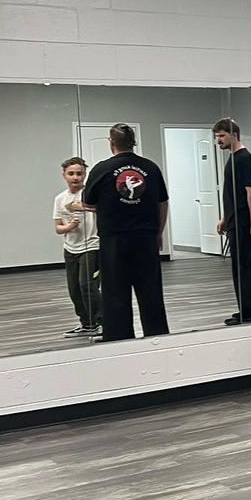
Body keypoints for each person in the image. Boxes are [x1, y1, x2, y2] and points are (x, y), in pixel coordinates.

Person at [82, 123, 170, 343]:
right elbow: (162, 202)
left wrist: (110, 206)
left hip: (114, 240)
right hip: (145, 238)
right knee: (151, 292)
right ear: (133, 143)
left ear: (111, 143)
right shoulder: (150, 168)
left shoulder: (101, 169)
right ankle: (158, 336)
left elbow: (88, 202)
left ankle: (118, 338)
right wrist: (158, 232)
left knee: (115, 293)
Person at [213, 118, 251, 327]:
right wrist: (225, 218)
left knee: (243, 266)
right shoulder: (233, 159)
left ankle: (249, 311)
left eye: (221, 136)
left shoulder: (244, 159)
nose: (218, 140)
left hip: (244, 222)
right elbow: (232, 194)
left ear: (234, 135)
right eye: (216, 137)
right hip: (235, 219)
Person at [53, 156, 101, 337]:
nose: (75, 177)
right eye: (71, 173)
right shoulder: (60, 199)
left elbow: (106, 210)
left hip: (92, 246)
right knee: (74, 290)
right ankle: (87, 324)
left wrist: (85, 208)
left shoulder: (91, 193)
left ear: (84, 174)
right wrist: (69, 227)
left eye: (79, 174)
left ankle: (103, 323)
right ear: (64, 175)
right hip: (70, 248)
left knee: (87, 286)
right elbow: (58, 228)